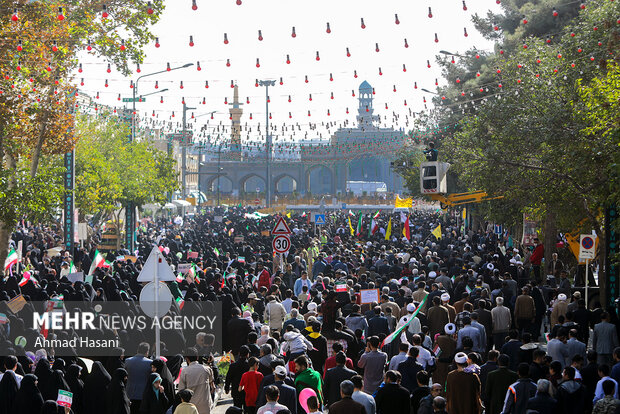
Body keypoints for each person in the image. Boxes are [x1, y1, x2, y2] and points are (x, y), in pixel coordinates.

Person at [180, 347, 215, 414]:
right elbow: (213, 387)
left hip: (191, 407)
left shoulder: (184, 372)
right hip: (206, 405)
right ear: (197, 357)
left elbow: (181, 391)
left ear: (186, 359)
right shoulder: (207, 369)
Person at [126, 342, 153, 414]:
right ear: (147, 351)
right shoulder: (150, 363)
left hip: (130, 392)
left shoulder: (127, 361)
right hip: (143, 393)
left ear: (137, 350)